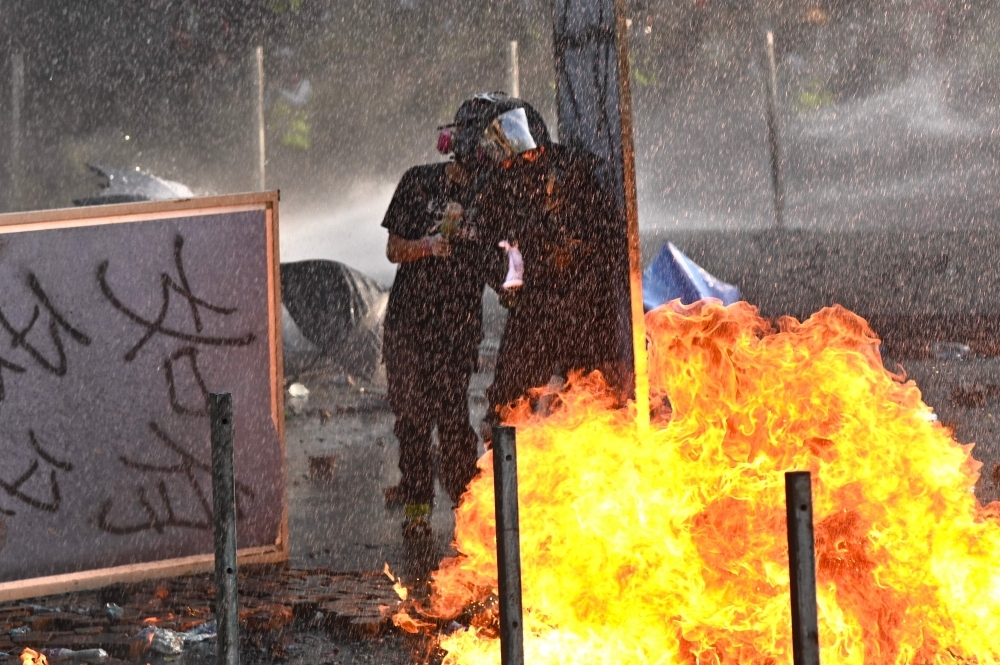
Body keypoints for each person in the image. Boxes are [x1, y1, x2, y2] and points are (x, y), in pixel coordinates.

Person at [380, 94, 531, 538]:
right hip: (409, 325)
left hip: (457, 329)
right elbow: (393, 250)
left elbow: (503, 264)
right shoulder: (419, 183)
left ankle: (467, 512)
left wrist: (515, 288)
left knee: (452, 421)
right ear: (468, 144)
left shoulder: (491, 196)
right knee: (411, 420)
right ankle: (417, 511)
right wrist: (427, 246)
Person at [484, 100, 627, 433]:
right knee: (507, 403)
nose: (517, 161)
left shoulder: (578, 171)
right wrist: (505, 279)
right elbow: (494, 240)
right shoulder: (504, 181)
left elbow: (610, 239)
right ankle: (505, 472)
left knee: (592, 397)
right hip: (538, 300)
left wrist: (582, 271)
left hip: (587, 302)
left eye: (521, 149)